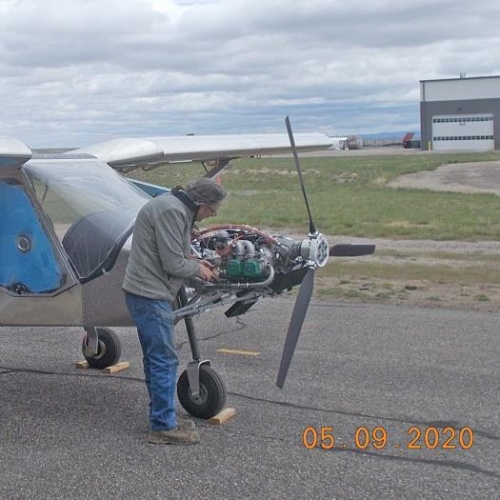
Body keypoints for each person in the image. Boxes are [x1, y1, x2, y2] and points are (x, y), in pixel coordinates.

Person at [123, 177, 227, 445]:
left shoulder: (172, 207)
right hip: (150, 294)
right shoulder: (172, 211)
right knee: (164, 360)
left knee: (156, 358)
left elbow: (172, 254)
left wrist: (195, 262)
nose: (208, 217)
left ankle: (163, 417)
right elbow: (172, 262)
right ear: (201, 203)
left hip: (147, 291)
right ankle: (162, 426)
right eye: (211, 211)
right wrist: (198, 270)